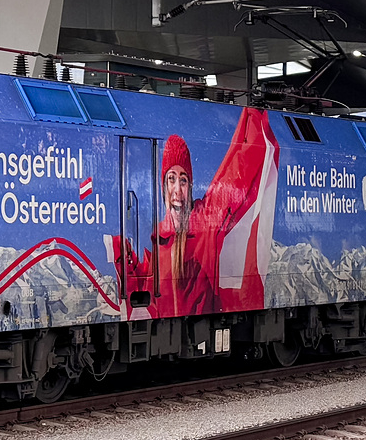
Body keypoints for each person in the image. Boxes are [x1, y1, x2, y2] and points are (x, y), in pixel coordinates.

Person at [114, 107, 279, 318]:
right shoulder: (158, 246)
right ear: (163, 186)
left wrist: (253, 117)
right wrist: (122, 259)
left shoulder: (205, 219)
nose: (177, 190)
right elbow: (143, 306)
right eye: (171, 178)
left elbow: (237, 175)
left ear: (190, 186)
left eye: (183, 180)